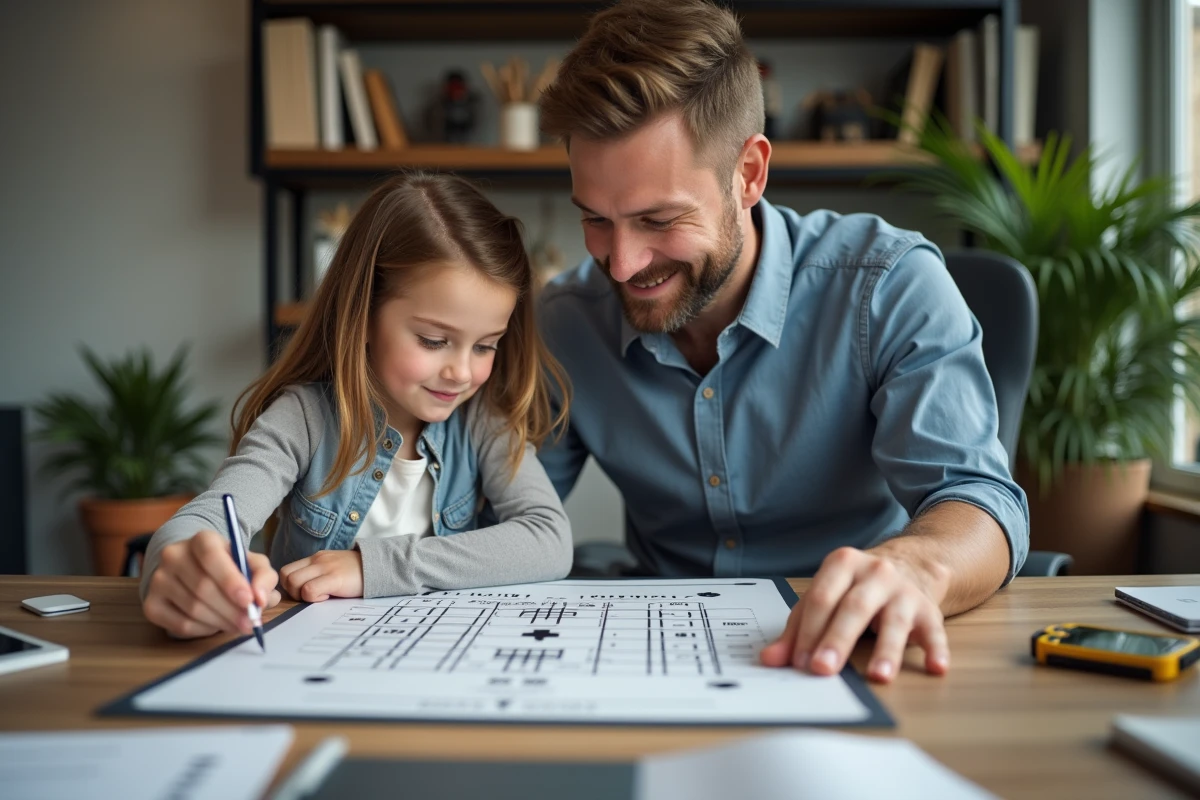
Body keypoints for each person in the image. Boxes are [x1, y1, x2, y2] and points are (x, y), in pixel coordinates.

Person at [536, 0, 1029, 684]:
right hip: (651, 664)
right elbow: (501, 515)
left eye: (658, 219)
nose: (620, 264)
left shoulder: (888, 286)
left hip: (851, 650)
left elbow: (981, 502)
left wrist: (912, 566)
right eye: (596, 219)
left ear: (749, 174)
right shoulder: (565, 320)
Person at [140, 172, 572, 639]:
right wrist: (184, 568)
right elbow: (205, 519)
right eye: (433, 340)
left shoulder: (482, 421)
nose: (462, 373)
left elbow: (549, 538)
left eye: (486, 346)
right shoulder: (303, 419)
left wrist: (373, 568)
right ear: (363, 315)